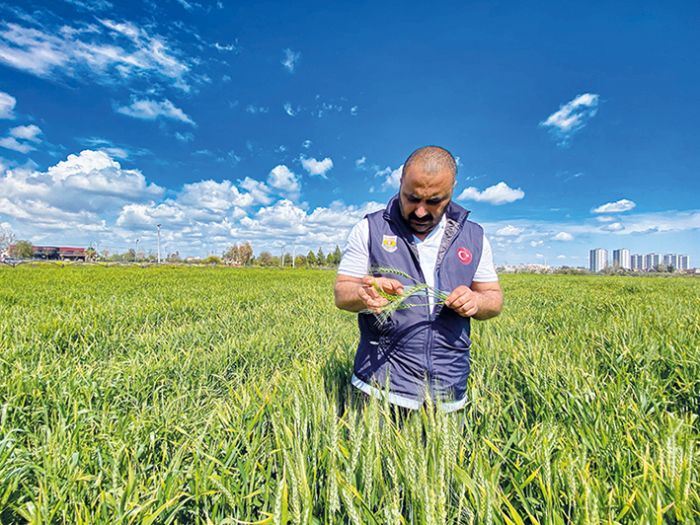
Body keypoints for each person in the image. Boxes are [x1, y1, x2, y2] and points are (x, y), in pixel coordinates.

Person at [334, 145, 503, 413]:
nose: (421, 211)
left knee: (444, 457)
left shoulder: (474, 237)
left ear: (452, 190)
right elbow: (342, 293)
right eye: (412, 198)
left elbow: (493, 298)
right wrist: (364, 295)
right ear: (400, 182)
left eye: (434, 201)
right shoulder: (370, 228)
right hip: (378, 388)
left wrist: (475, 301)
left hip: (448, 389)